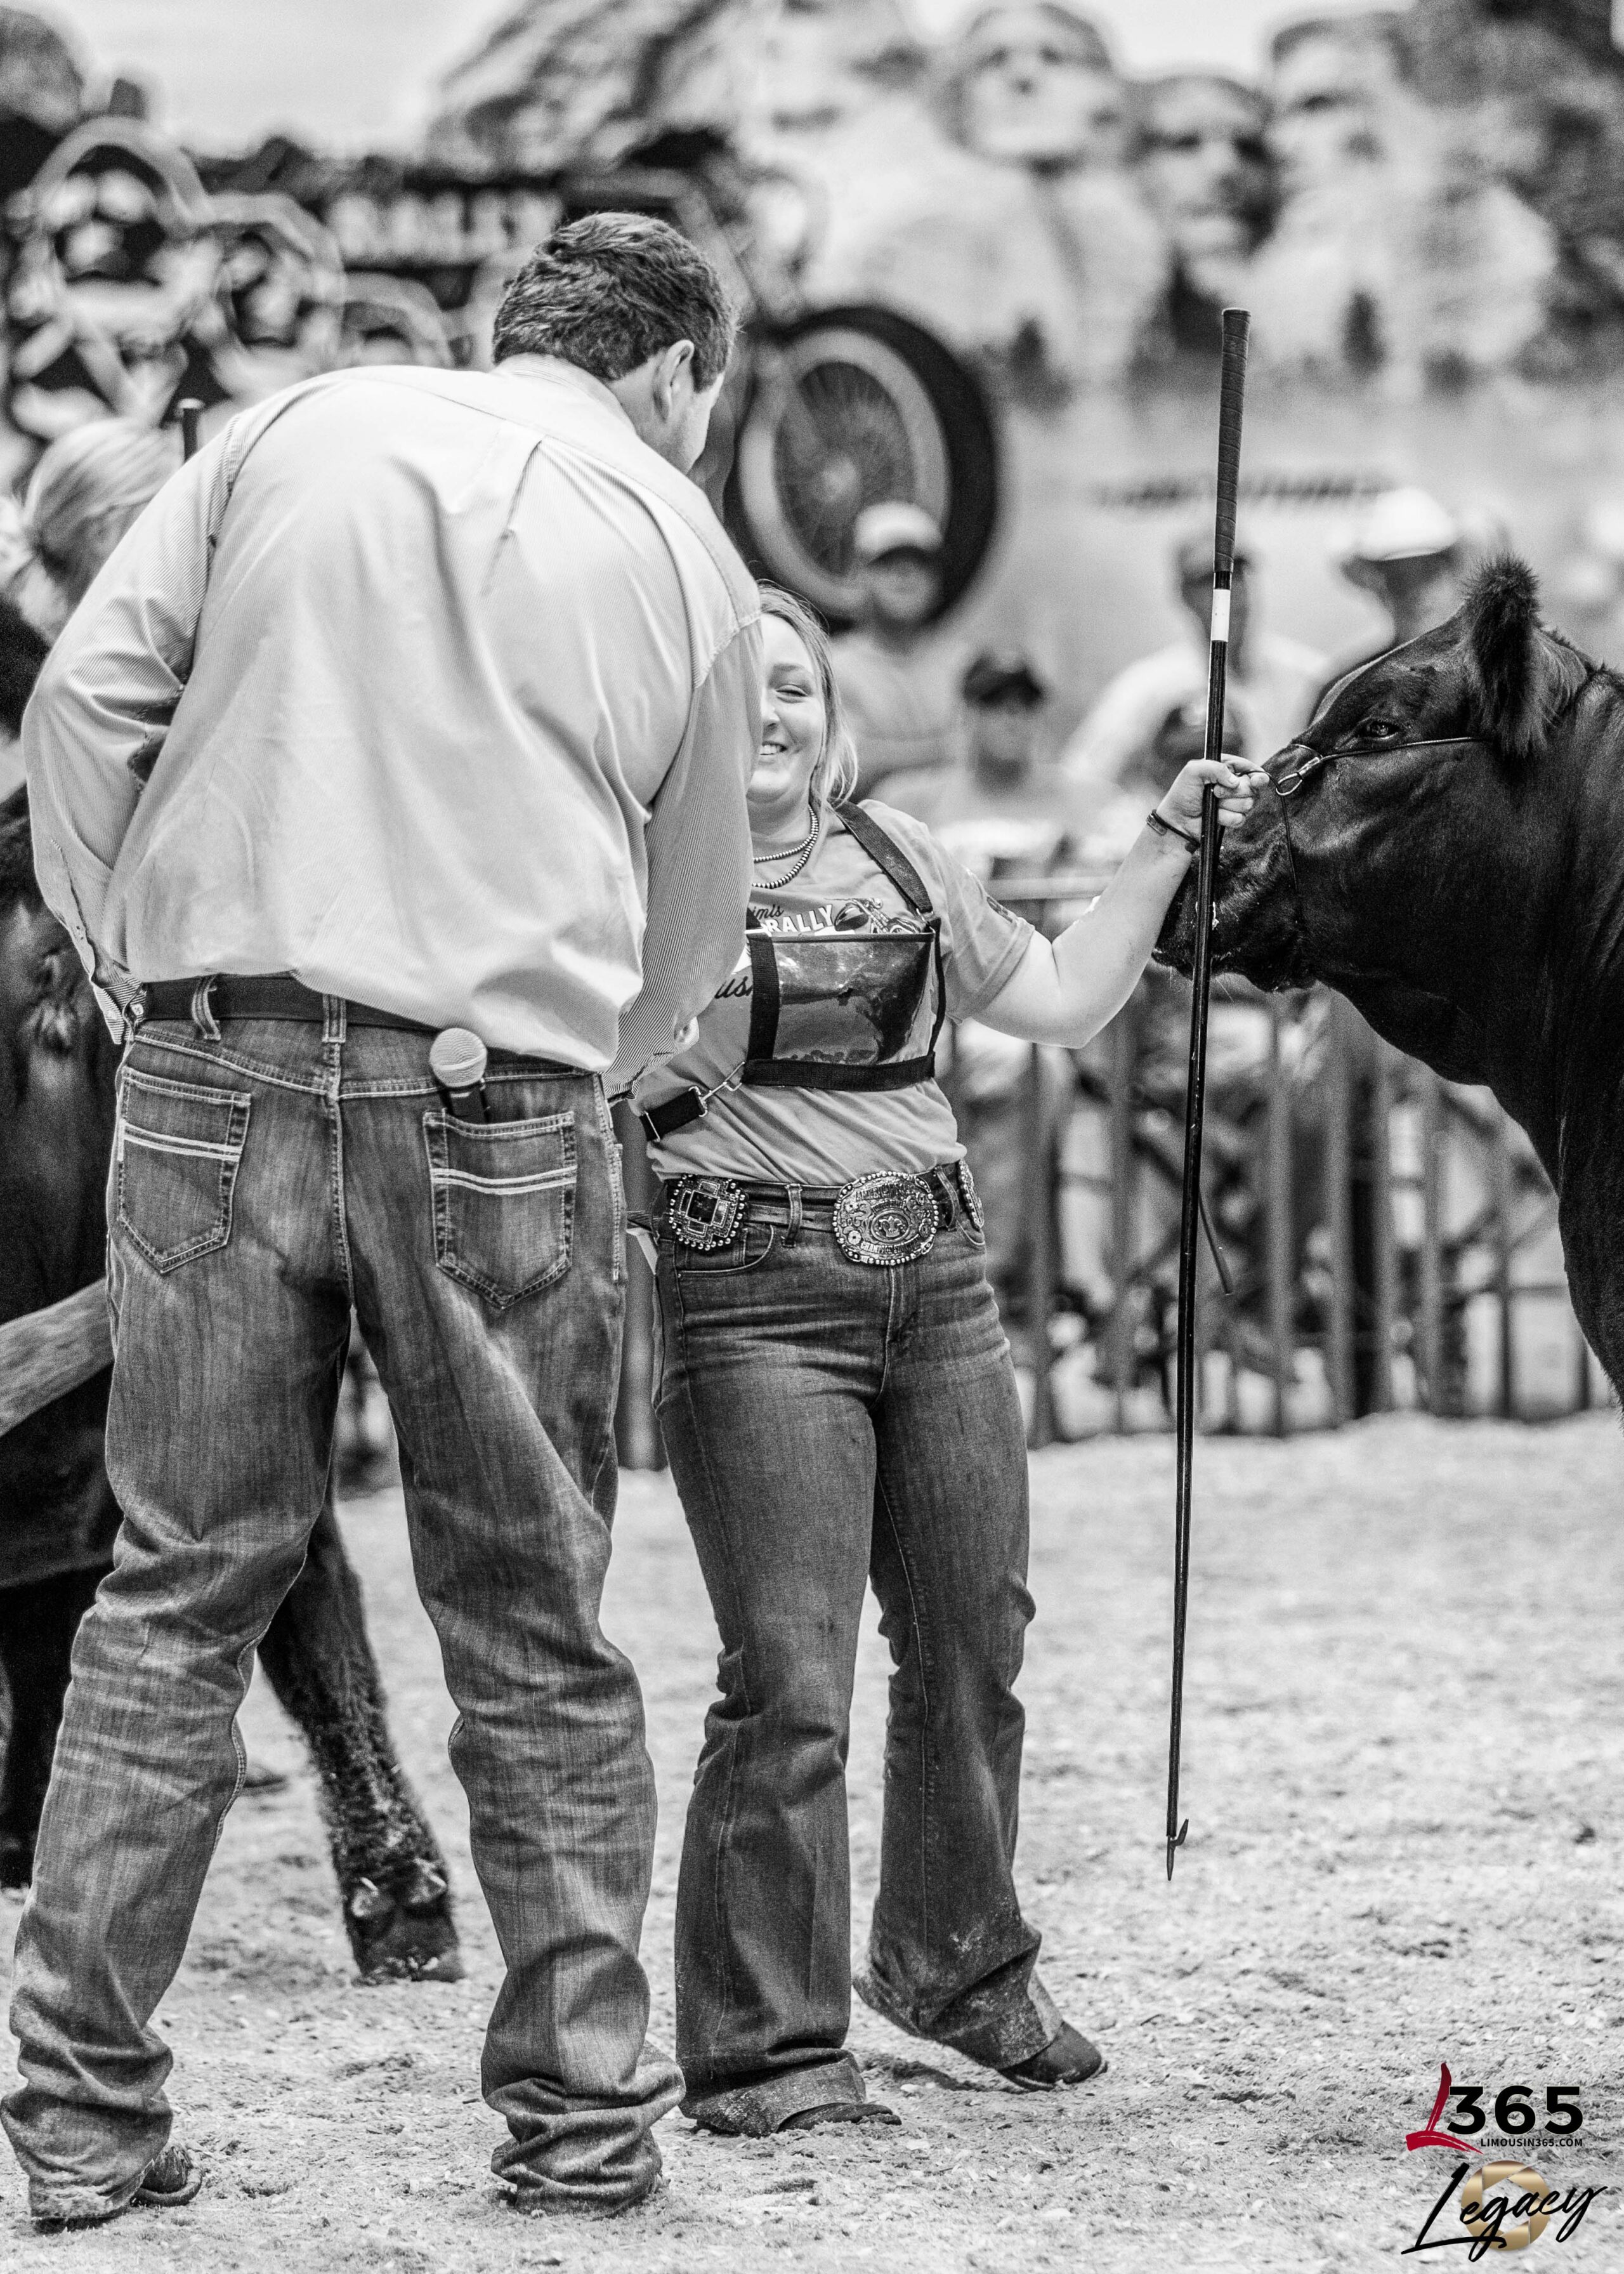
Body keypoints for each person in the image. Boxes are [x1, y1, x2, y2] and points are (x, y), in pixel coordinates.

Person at [8, 211, 760, 2229]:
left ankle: (79, 2125)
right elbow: (696, 912)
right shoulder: (680, 539)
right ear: (680, 371)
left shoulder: (285, 430)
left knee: (171, 1601)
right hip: (497, 1095)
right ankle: (581, 2129)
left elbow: (83, 707)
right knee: (529, 1625)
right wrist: (611, 1060)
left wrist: (120, 962)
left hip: (211, 1065)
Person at [631, 586, 1266, 2135]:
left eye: (795, 686)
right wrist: (654, 1062)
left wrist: (1167, 837)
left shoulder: (901, 855)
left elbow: (1055, 996)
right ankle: (766, 2050)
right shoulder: (633, 872)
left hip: (940, 1277)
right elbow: (587, 1062)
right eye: (740, 687)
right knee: (789, 1678)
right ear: (684, 715)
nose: (770, 711)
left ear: (825, 714)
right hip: (751, 1294)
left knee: (972, 1638)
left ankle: (950, 1963)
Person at [886, 648, 1096, 1337]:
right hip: (926, 1006)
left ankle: (987, 1279)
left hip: (1023, 1002)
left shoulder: (1077, 795)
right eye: (994, 704)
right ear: (966, 714)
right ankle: (904, 1276)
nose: (1011, 719)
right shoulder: (915, 797)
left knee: (1029, 1065)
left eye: (1023, 704)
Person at [1062, 527, 1323, 808]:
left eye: (1238, 575)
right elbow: (1084, 776)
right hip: (1194, 840)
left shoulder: (1306, 674)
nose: (1230, 592)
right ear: (1184, 594)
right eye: (1212, 581)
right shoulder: (1151, 685)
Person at [830, 501, 961, 794]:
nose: (905, 573)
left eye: (920, 562)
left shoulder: (966, 665)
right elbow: (843, 769)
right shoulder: (829, 666)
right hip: (864, 837)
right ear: (858, 575)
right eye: (888, 561)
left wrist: (885, 756)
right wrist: (947, 750)